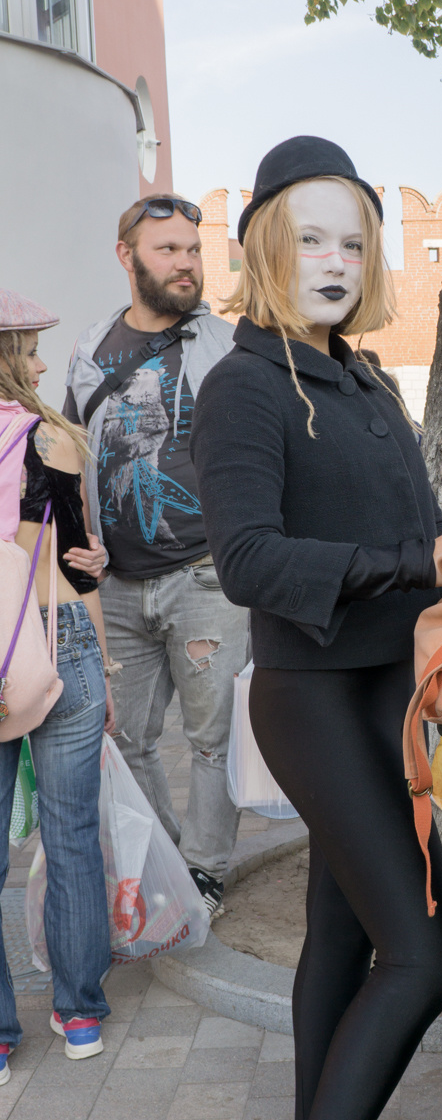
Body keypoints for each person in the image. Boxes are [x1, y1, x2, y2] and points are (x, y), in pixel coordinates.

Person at [190, 136, 442, 1120]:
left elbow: (425, 532)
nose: (335, 259)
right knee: (429, 953)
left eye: (353, 239)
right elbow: (246, 558)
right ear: (264, 244)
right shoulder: (245, 385)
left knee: (344, 942)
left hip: (385, 694)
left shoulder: (362, 381)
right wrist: (405, 564)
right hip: (312, 697)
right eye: (310, 237)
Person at [63, 194, 244, 919]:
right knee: (125, 735)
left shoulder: (228, 345)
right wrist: (76, 543)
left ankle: (205, 870)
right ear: (127, 256)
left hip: (207, 577)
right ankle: (167, 856)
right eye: (168, 250)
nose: (186, 264)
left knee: (213, 739)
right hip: (114, 584)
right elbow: (72, 454)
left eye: (192, 250)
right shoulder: (89, 348)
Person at [0, 291, 115, 1076]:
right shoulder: (52, 437)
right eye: (31, 349)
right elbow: (79, 563)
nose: (42, 364)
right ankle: (78, 1013)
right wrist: (102, 661)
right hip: (60, 637)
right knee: (71, 834)